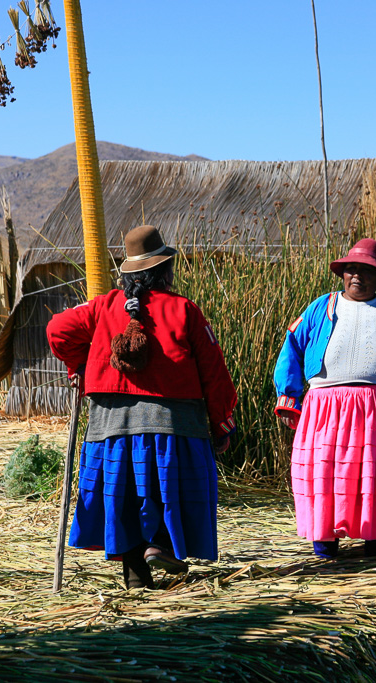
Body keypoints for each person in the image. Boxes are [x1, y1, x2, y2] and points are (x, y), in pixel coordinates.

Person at [47, 225, 237, 589]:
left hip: (110, 426)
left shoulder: (103, 307)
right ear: (165, 272)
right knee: (164, 485)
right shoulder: (184, 310)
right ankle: (161, 545)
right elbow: (213, 371)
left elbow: (57, 330)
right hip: (173, 425)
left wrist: (81, 366)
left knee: (123, 491)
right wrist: (222, 423)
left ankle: (135, 575)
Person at [272, 238, 376, 559]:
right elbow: (292, 346)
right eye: (351, 269)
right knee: (327, 471)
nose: (357, 277)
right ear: (342, 274)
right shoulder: (321, 308)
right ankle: (325, 544)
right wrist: (289, 396)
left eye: (366, 271)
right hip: (326, 408)